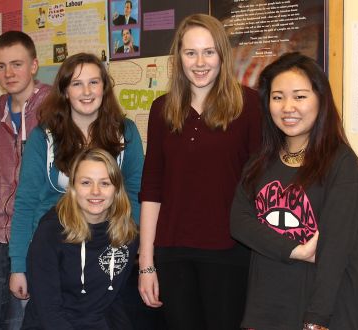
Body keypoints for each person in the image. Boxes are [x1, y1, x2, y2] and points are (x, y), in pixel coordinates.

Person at [138, 14, 261, 330]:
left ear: (222, 54)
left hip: (230, 252)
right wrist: (146, 262)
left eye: (209, 51)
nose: (200, 62)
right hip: (172, 252)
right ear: (178, 58)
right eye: (190, 53)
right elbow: (152, 187)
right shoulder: (162, 109)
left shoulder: (249, 105)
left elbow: (261, 183)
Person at [230, 52, 358, 330]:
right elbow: (239, 223)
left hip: (326, 309)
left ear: (320, 100)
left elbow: (335, 252)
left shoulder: (341, 163)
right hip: (268, 305)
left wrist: (316, 321)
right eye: (278, 97)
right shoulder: (260, 162)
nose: (287, 107)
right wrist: (295, 249)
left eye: (300, 96)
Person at [8, 53, 144, 305]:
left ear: (105, 87)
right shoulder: (43, 137)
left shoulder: (125, 133)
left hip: (108, 250)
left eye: (94, 82)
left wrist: (130, 243)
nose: (86, 91)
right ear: (65, 91)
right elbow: (25, 202)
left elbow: (136, 193)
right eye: (77, 83)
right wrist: (18, 264)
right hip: (54, 253)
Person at [0, 31, 51, 330]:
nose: (8, 73)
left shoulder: (54, 107)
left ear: (34, 65)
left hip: (36, 233)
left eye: (17, 64)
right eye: (0, 66)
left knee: (20, 322)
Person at [21, 148, 138, 329]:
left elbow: (114, 301)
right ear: (73, 187)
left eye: (105, 183)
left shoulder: (126, 234)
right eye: (86, 183)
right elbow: (49, 311)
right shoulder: (50, 232)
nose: (95, 191)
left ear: (117, 189)